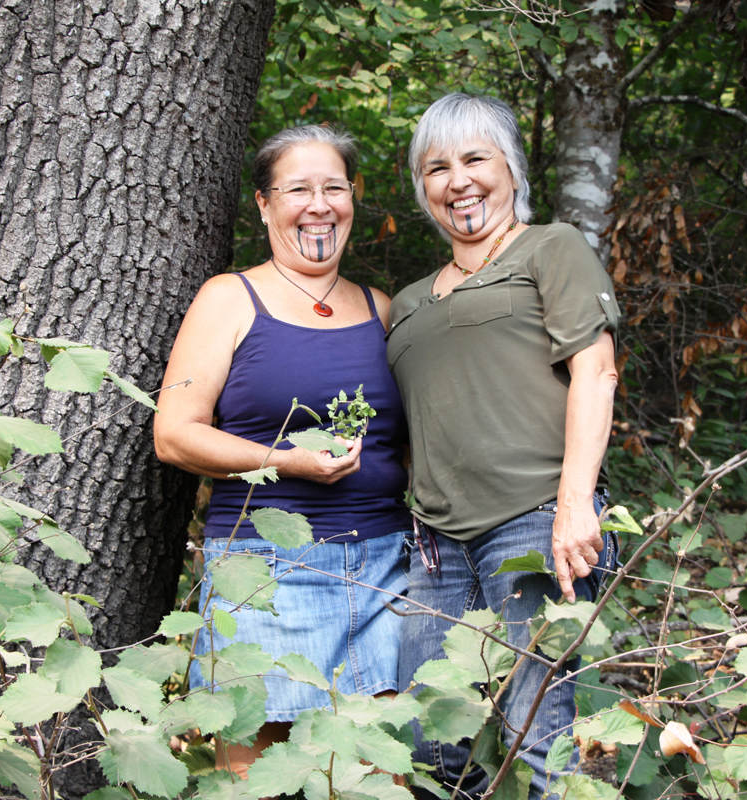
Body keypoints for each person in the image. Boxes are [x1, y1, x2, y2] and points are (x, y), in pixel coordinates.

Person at [154, 125, 410, 779]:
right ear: (266, 204)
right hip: (265, 573)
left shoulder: (380, 309)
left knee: (380, 778)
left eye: (335, 187)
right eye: (299, 188)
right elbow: (175, 433)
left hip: (383, 570)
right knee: (253, 781)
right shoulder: (228, 299)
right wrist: (287, 462)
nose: (319, 204)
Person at [388, 93, 622, 798]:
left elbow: (596, 369)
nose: (456, 180)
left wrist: (574, 505)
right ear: (422, 190)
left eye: (474, 159)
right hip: (436, 546)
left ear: (511, 169)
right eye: (436, 167)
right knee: (431, 747)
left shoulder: (550, 248)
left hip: (533, 520)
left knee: (535, 737)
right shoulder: (405, 302)